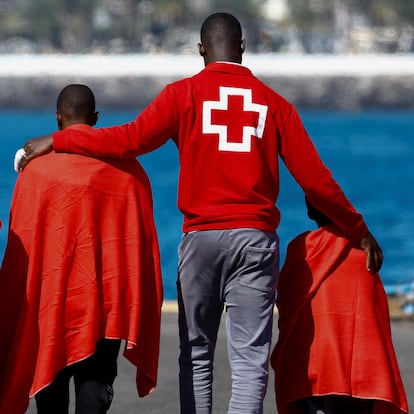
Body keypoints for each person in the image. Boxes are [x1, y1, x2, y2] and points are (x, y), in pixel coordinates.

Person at [18, 13, 383, 414]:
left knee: (196, 356)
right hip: (255, 242)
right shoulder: (276, 105)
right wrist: (359, 230)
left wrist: (60, 139)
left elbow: (129, 141)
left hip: (201, 242)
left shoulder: (182, 95)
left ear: (200, 50)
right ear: (243, 47)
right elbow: (316, 182)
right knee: (249, 361)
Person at [0, 84, 163, 414]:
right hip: (106, 308)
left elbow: (22, 248)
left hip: (51, 305)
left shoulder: (35, 173)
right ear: (96, 119)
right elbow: (140, 248)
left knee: (51, 395)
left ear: (58, 118)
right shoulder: (130, 173)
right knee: (94, 396)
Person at [271, 198, 408, 414]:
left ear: (310, 214)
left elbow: (286, 301)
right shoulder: (365, 251)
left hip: (312, 368)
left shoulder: (301, 249)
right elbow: (377, 313)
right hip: (363, 370)